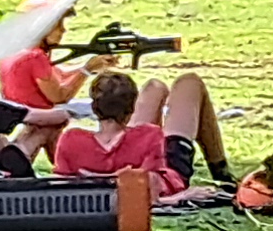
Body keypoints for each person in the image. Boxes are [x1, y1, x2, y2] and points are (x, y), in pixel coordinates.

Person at [50, 68, 217, 206]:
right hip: (165, 178)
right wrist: (183, 196)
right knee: (189, 82)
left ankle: (221, 169)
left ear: (94, 108)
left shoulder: (71, 140)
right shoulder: (150, 135)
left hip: (125, 155)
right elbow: (151, 195)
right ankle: (220, 168)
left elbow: (60, 186)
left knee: (155, 86)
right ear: (132, 109)